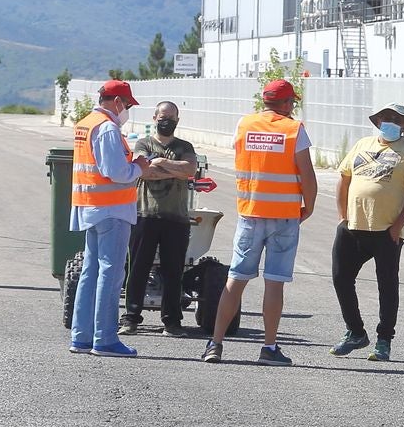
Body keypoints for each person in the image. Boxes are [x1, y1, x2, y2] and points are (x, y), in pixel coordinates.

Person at [201, 79, 317, 366]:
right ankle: (269, 347)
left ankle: (215, 344)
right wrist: (309, 207)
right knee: (274, 283)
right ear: (288, 103)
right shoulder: (294, 130)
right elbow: (308, 175)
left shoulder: (244, 125)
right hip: (285, 218)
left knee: (236, 280)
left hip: (250, 214)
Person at [327, 103, 404, 362]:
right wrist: (342, 217)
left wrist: (397, 226)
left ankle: (384, 340)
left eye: (396, 119)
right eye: (385, 118)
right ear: (378, 122)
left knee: (387, 285)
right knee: (341, 277)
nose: (390, 122)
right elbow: (344, 177)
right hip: (353, 227)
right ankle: (356, 332)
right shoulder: (362, 145)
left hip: (386, 230)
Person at [69, 80, 151, 357]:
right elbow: (116, 171)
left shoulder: (86, 123)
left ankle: (81, 337)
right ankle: (104, 339)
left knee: (90, 273)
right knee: (111, 274)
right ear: (117, 102)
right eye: (126, 105)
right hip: (111, 210)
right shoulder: (107, 128)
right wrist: (139, 166)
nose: (127, 110)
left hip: (91, 207)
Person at [120, 101, 198, 338]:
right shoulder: (144, 143)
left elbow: (190, 170)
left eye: (171, 117)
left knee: (173, 271)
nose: (167, 121)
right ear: (154, 118)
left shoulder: (184, 146)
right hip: (145, 215)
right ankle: (131, 317)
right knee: (138, 268)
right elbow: (145, 171)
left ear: (177, 119)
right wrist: (176, 170)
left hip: (176, 218)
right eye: (163, 117)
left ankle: (172, 321)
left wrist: (162, 163)